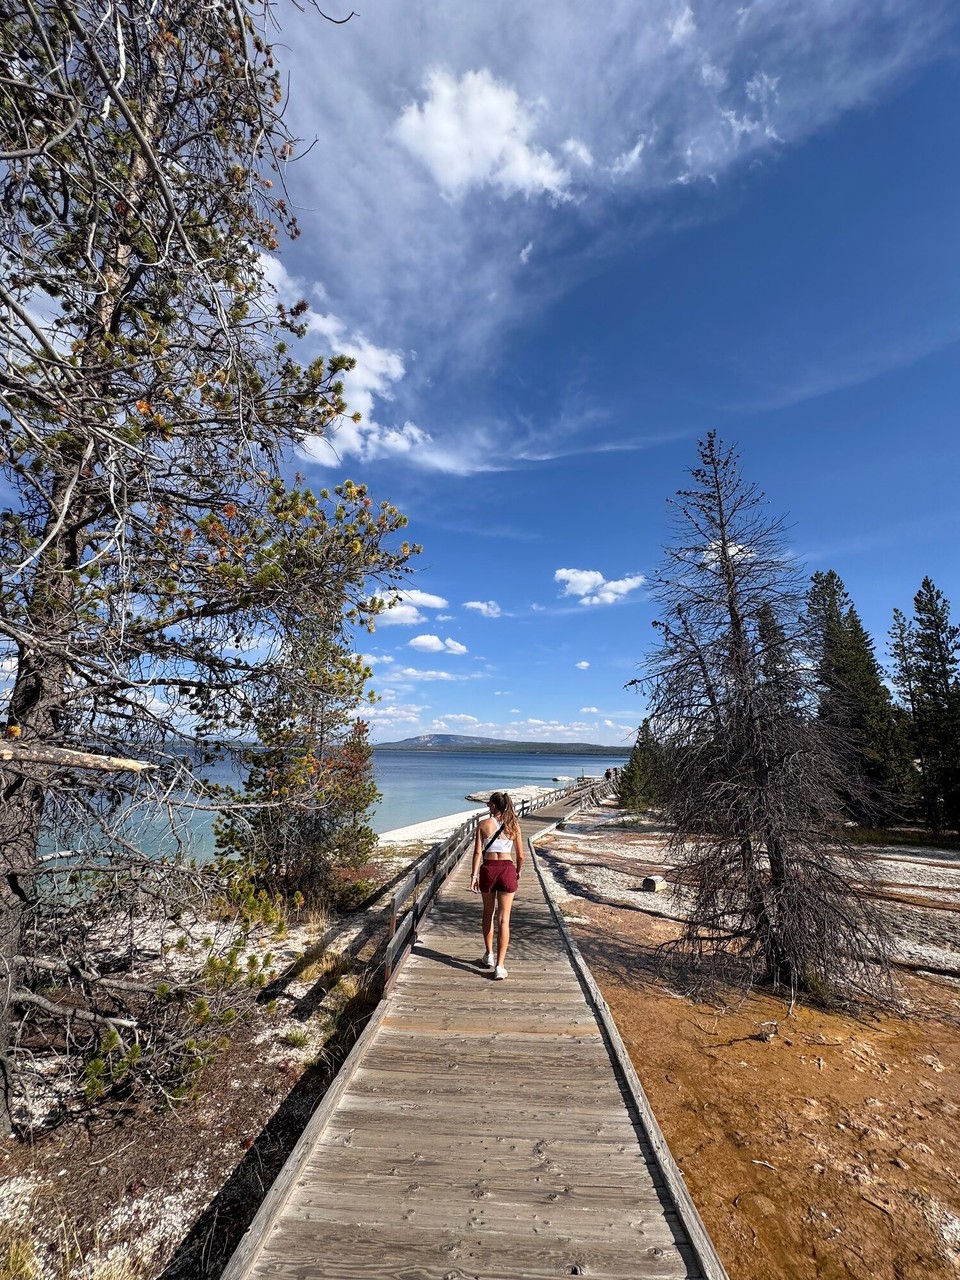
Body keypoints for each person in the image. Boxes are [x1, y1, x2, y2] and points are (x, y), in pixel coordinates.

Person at [470, 791, 523, 980]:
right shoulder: (513, 825)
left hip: (488, 869)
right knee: (504, 920)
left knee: (488, 913)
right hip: (507, 869)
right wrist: (517, 871)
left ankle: (489, 955)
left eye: (488, 804)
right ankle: (500, 966)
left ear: (494, 806)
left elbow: (477, 853)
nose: (487, 806)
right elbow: (521, 855)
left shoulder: (483, 825)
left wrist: (474, 876)